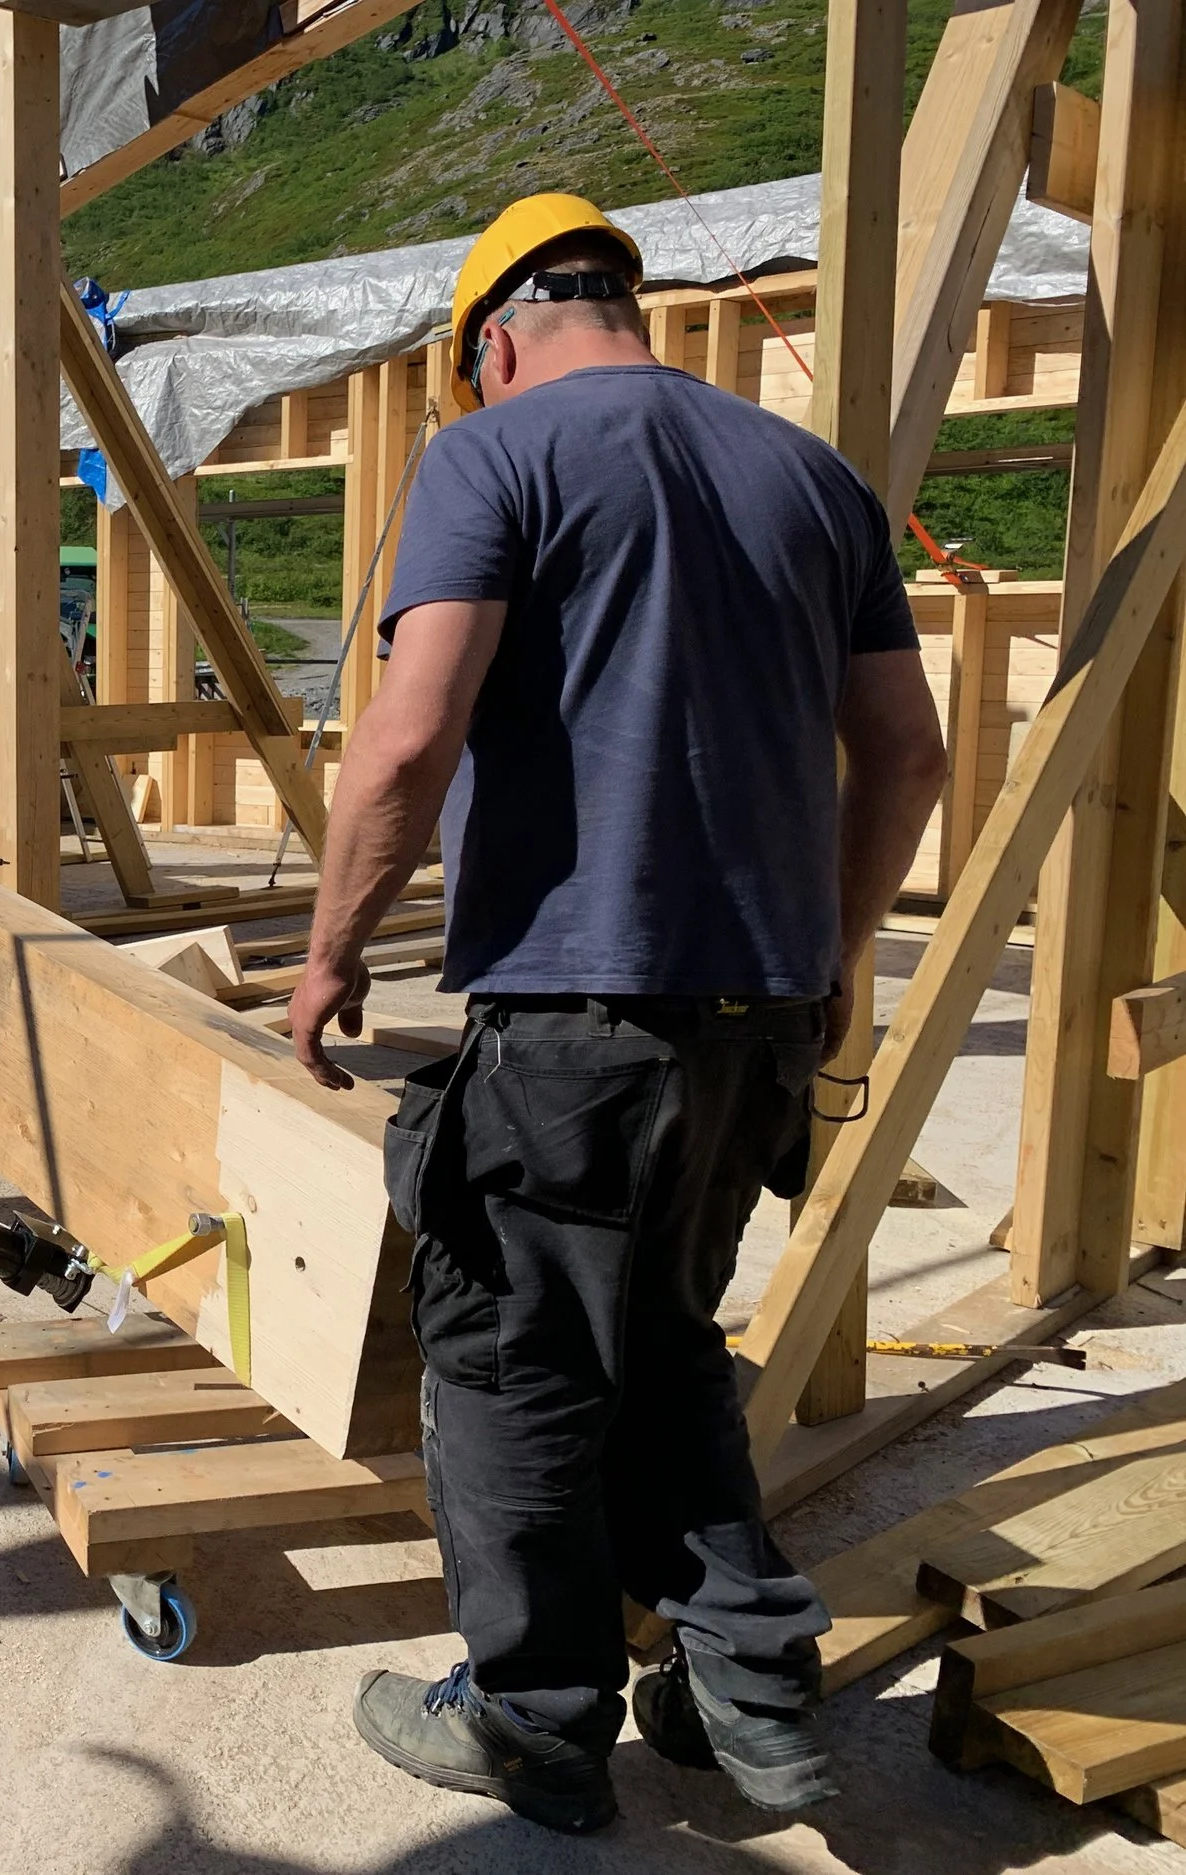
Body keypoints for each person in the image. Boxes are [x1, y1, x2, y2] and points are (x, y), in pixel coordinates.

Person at [286, 196, 946, 1833]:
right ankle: (757, 1688)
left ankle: (535, 1717)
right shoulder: (815, 478)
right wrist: (833, 951)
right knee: (663, 1343)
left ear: (495, 344)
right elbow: (911, 752)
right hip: (761, 1018)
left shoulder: (493, 456)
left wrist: (331, 950)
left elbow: (409, 737)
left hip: (577, 1028)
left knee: (513, 1361)